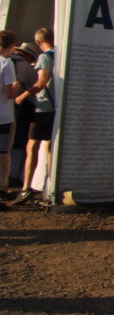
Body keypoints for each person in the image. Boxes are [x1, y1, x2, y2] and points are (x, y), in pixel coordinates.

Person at [13, 28, 55, 205]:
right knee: (49, 147)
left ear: (38, 43)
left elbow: (41, 82)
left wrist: (23, 96)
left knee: (32, 146)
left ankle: (26, 187)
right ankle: (51, 185)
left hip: (43, 107)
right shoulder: (61, 54)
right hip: (55, 106)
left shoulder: (45, 57)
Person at [9, 41, 39, 189]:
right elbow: (35, 88)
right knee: (19, 140)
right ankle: (13, 175)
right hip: (21, 107)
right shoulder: (27, 68)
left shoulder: (5, 62)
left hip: (4, 105)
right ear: (29, 56)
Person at [0, 31, 17, 203]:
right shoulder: (6, 64)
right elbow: (10, 92)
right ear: (11, 47)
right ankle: (2, 189)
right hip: (3, 117)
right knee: (3, 154)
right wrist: (17, 85)